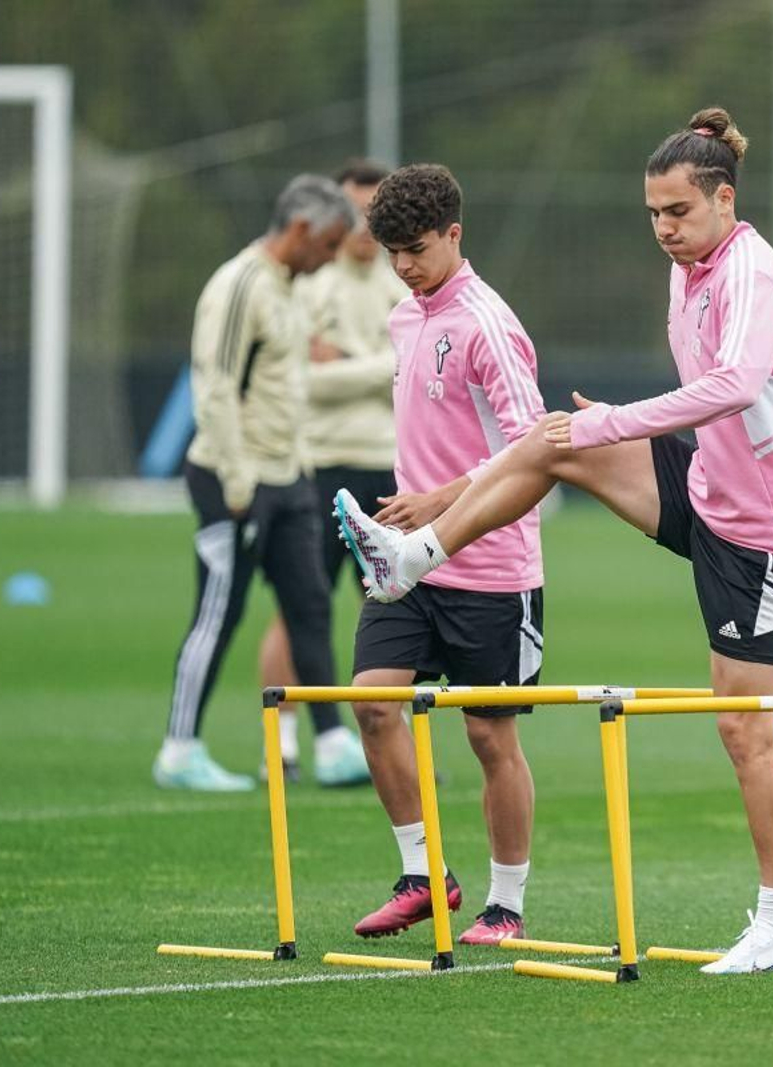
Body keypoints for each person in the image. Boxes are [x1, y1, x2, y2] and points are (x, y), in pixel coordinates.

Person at [335, 107, 773, 973]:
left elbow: (735, 384)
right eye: (652, 214)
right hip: (709, 490)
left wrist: (620, 422)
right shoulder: (690, 269)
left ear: (723, 200)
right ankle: (418, 553)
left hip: (770, 534)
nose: (664, 230)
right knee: (554, 438)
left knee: (746, 731)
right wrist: (597, 431)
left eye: (677, 212)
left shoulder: (751, 269)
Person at [339, 163, 549, 947]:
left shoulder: (490, 324)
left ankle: (507, 904)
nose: (403, 265)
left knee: (491, 737)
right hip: (407, 568)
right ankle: (426, 875)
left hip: (493, 568)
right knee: (371, 704)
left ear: (455, 234)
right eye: (391, 251)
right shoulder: (404, 316)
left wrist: (439, 501)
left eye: (417, 249)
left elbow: (536, 452)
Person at [155, 175, 358, 791]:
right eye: (328, 245)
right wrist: (239, 484)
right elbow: (214, 386)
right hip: (234, 479)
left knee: (311, 606)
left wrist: (295, 468)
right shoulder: (239, 284)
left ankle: (330, 743)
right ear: (300, 230)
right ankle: (179, 749)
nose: (330, 258)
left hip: (290, 475)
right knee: (219, 612)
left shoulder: (289, 288)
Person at [256, 159, 407, 787]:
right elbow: (299, 379)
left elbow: (411, 373)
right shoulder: (313, 284)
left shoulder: (404, 284)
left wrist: (349, 363)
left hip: (391, 468)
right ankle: (283, 746)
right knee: (301, 606)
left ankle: (388, 749)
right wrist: (377, 367)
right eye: (356, 212)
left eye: (378, 212)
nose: (365, 227)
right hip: (320, 466)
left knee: (396, 607)